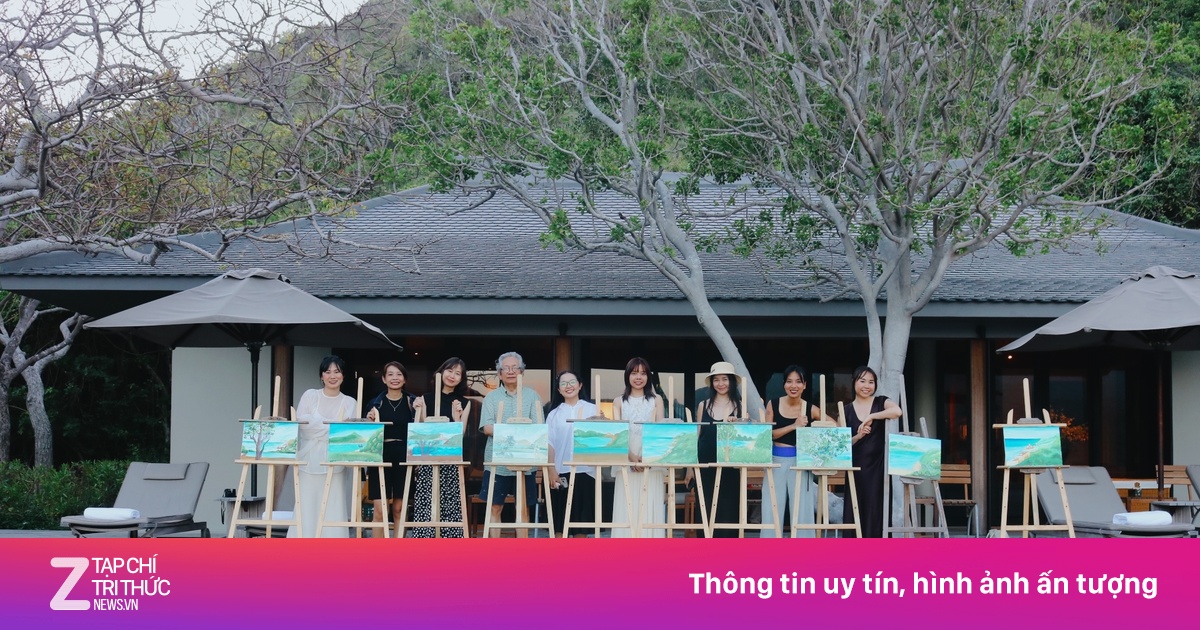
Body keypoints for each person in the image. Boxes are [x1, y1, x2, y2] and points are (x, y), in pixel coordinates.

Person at [762, 365, 833, 538]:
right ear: (784, 384)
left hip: (801, 461)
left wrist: (813, 434)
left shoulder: (810, 408)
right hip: (775, 460)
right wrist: (794, 425)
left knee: (802, 508)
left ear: (804, 385)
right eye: (789, 381)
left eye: (798, 382)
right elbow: (767, 434)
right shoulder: (773, 404)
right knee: (772, 506)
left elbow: (834, 425)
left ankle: (803, 547)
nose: (793, 386)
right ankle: (769, 547)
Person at [289, 355, 357, 538]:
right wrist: (332, 427)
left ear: (343, 375)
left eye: (337, 372)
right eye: (328, 372)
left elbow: (346, 435)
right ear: (321, 375)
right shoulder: (310, 395)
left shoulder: (350, 402)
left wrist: (319, 424)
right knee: (305, 503)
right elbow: (303, 426)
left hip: (335, 460)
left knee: (334, 504)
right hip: (308, 459)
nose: (332, 376)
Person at [478, 351, 544, 537]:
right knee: (495, 506)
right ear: (499, 374)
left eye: (515, 367)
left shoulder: (533, 396)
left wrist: (507, 431)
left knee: (523, 507)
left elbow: (539, 428)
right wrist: (518, 431)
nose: (510, 371)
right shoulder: (491, 397)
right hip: (497, 462)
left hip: (525, 462)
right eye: (506, 368)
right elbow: (486, 427)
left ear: (522, 371)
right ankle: (495, 549)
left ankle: (521, 549)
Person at [411, 357, 471, 538]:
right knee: (426, 500)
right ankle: (425, 542)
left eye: (457, 373)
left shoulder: (464, 403)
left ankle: (450, 543)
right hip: (428, 460)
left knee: (450, 501)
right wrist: (418, 411)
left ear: (461, 379)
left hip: (451, 459)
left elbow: (460, 435)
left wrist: (456, 416)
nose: (452, 376)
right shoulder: (425, 399)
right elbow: (421, 431)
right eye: (450, 370)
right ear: (442, 372)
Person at [842, 365, 903, 538]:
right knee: (855, 508)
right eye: (862, 381)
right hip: (855, 468)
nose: (867, 386)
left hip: (878, 468)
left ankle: (876, 549)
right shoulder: (845, 410)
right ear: (854, 382)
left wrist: (872, 416)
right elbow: (842, 445)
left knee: (877, 508)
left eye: (871, 382)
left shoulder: (881, 402)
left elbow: (897, 411)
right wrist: (858, 436)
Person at [611, 357, 666, 538]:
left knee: (649, 504)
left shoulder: (657, 400)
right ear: (627, 375)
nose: (638, 377)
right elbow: (618, 435)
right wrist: (632, 457)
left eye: (643, 373)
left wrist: (646, 458)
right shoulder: (618, 401)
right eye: (634, 373)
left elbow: (659, 433)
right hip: (626, 459)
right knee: (627, 506)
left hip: (650, 461)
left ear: (648, 377)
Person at [689, 361, 741, 537]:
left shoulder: (740, 407)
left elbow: (749, 435)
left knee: (728, 509)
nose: (721, 383)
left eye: (725, 379)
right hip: (705, 467)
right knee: (705, 510)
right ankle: (706, 550)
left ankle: (727, 551)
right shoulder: (703, 405)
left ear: (731, 381)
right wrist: (690, 467)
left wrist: (741, 423)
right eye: (716, 379)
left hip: (730, 468)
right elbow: (697, 437)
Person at [546, 369, 600, 537]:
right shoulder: (554, 414)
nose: (568, 386)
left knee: (581, 525)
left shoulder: (593, 410)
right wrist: (551, 469)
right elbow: (549, 443)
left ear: (580, 385)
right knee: (559, 525)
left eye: (572, 382)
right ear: (558, 389)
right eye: (563, 383)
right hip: (561, 471)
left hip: (586, 471)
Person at [364, 362, 416, 528]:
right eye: (390, 374)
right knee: (380, 510)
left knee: (400, 509)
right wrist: (370, 421)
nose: (395, 378)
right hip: (380, 456)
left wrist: (420, 411)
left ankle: (398, 544)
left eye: (399, 374)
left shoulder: (413, 402)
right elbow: (367, 436)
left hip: (404, 457)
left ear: (405, 379)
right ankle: (379, 545)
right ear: (384, 379)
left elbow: (421, 429)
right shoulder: (375, 403)